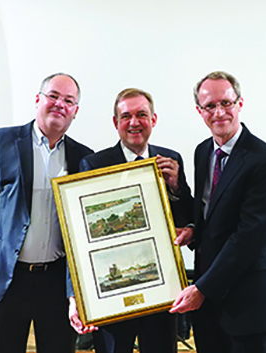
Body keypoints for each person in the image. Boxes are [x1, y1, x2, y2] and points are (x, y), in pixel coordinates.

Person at [69, 87, 194, 353]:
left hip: (161, 294)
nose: (134, 122)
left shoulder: (171, 159)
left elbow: (187, 220)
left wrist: (176, 188)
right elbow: (79, 237)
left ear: (153, 119)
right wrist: (77, 294)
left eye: (141, 115)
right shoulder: (94, 164)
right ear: (116, 123)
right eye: (126, 116)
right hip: (111, 298)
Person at [170, 71, 266, 353]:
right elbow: (211, 213)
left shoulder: (265, 160)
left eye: (226, 103)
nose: (219, 112)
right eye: (210, 106)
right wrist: (194, 228)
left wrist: (202, 289)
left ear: (240, 103)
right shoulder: (203, 151)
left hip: (249, 303)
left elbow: (249, 237)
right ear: (199, 111)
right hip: (209, 305)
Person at [0, 73, 94, 353]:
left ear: (75, 111)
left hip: (56, 281)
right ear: (37, 99)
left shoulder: (84, 158)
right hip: (8, 277)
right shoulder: (2, 142)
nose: (59, 104)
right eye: (53, 96)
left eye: (68, 100)